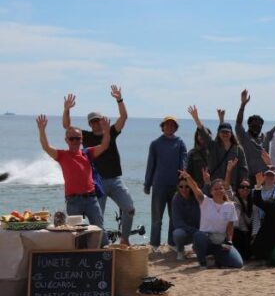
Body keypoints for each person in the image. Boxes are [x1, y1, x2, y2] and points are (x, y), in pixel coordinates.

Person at [60, 87, 135, 245]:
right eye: (93, 121)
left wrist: (119, 99)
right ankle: (98, 247)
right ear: (89, 124)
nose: (96, 123)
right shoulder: (84, 136)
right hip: (97, 184)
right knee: (97, 221)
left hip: (115, 180)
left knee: (129, 209)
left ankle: (125, 239)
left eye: (98, 120)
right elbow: (67, 127)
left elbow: (124, 117)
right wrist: (66, 109)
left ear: (103, 120)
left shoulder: (111, 131)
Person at [35, 113, 111, 237]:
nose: (75, 141)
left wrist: (107, 130)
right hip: (73, 201)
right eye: (72, 139)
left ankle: (103, 254)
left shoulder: (88, 153)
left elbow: (105, 145)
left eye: (78, 138)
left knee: (99, 230)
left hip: (91, 199)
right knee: (75, 234)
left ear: (82, 139)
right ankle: (79, 256)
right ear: (66, 140)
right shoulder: (62, 155)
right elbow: (46, 147)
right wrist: (42, 130)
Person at [179, 170, 243, 269]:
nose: (218, 190)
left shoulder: (230, 206)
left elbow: (230, 226)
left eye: (220, 188)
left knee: (238, 263)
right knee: (198, 235)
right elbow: (195, 188)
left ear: (224, 190)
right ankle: (203, 262)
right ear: (211, 191)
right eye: (215, 189)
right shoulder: (205, 201)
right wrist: (188, 177)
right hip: (205, 240)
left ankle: (215, 259)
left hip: (220, 241)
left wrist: (229, 241)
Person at [145, 115, 187, 248]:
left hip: (176, 186)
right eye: (167, 125)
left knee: (174, 217)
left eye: (172, 125)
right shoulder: (155, 144)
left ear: (176, 128)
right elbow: (150, 165)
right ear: (162, 127)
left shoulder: (180, 143)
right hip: (159, 185)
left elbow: (184, 164)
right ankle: (155, 244)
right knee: (157, 218)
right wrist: (147, 184)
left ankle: (172, 243)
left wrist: (184, 184)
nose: (170, 127)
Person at [187, 105, 248, 188]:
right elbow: (204, 134)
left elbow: (243, 167)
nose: (225, 134)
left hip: (233, 186)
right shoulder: (213, 146)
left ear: (231, 133)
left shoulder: (238, 149)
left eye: (227, 132)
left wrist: (244, 181)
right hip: (215, 186)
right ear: (218, 134)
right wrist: (196, 119)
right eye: (222, 132)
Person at [234, 89, 271, 180]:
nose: (256, 128)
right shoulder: (244, 137)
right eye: (254, 125)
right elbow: (238, 124)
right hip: (249, 179)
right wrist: (243, 104)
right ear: (249, 125)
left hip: (265, 178)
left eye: (259, 126)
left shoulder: (265, 137)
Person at [170, 173, 201, 261]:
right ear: (177, 187)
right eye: (181, 186)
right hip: (187, 232)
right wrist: (195, 231)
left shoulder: (197, 197)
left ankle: (197, 248)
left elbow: (205, 193)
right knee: (178, 233)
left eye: (187, 186)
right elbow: (177, 223)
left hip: (199, 231)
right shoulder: (176, 199)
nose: (184, 189)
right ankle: (180, 251)